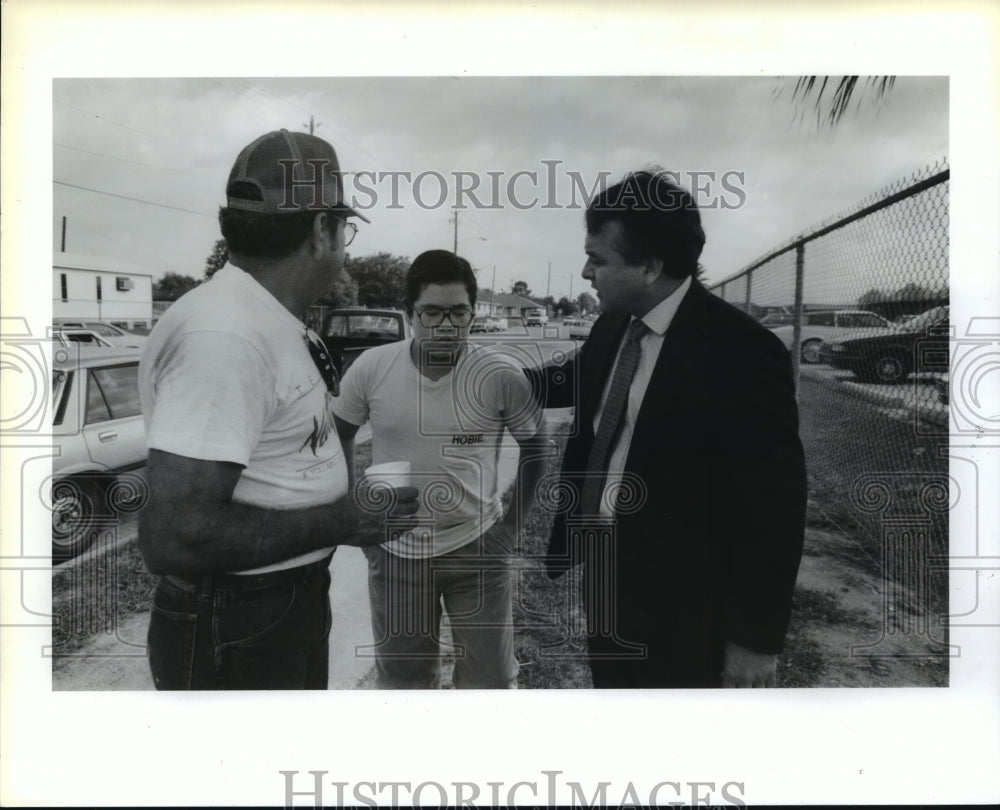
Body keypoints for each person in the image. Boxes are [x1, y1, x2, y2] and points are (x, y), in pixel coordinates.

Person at [137, 129, 417, 690]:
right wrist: (341, 520)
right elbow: (173, 536)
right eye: (345, 228)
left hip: (268, 607)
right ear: (322, 230)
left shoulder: (261, 316)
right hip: (240, 616)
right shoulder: (227, 335)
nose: (344, 243)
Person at [540, 169, 807, 688]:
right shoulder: (614, 322)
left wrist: (754, 640)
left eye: (598, 259)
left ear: (652, 266)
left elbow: (774, 508)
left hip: (686, 602)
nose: (585, 272)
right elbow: (577, 378)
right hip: (606, 572)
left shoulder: (744, 354)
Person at [332, 250, 549, 688]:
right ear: (410, 313)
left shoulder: (498, 374)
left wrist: (509, 531)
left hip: (478, 550)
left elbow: (537, 447)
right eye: (431, 312)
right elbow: (339, 434)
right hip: (395, 554)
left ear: (472, 312)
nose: (446, 326)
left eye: (458, 313)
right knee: (404, 688)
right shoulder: (373, 368)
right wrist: (357, 517)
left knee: (490, 683)